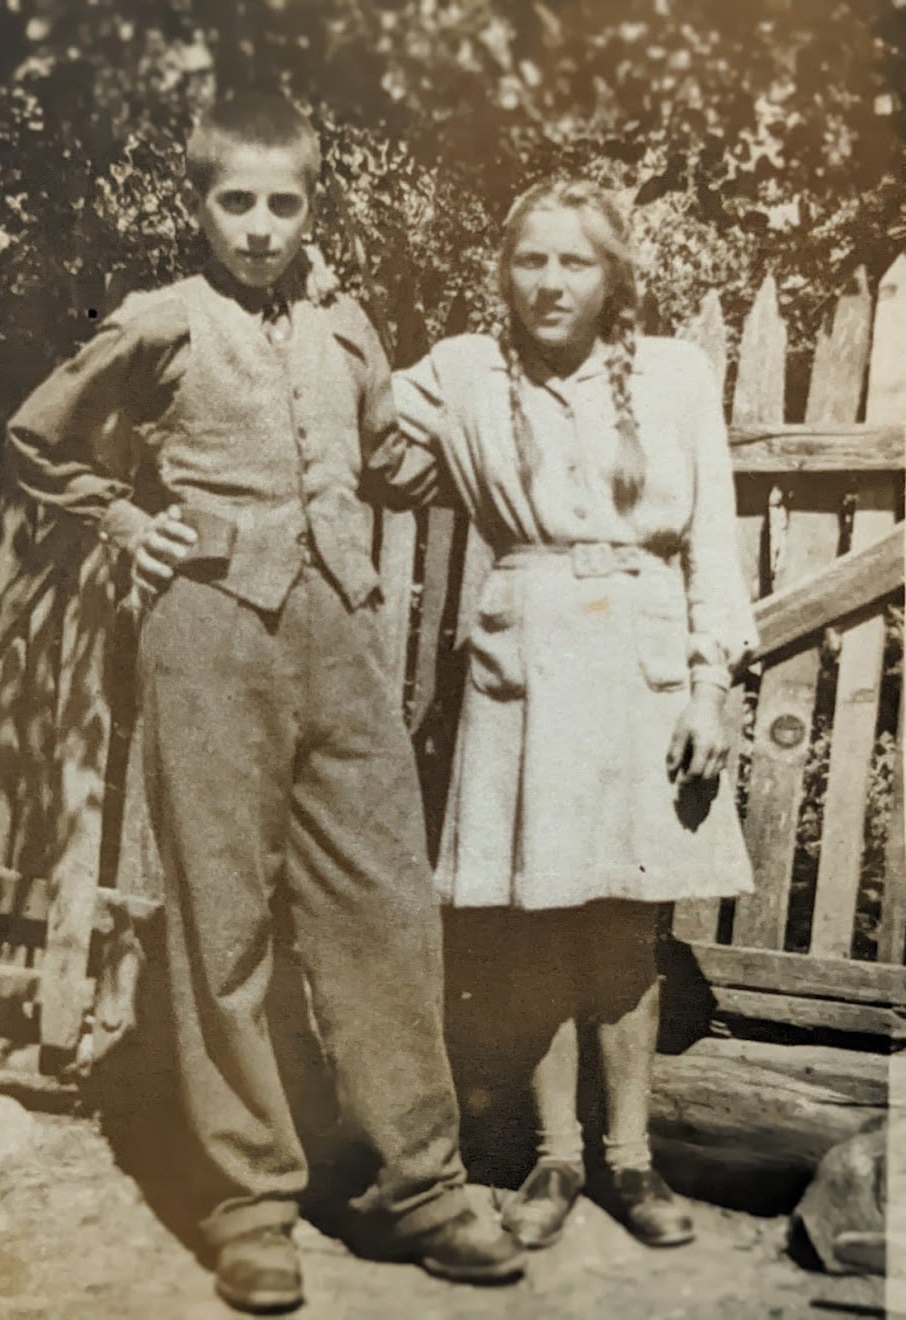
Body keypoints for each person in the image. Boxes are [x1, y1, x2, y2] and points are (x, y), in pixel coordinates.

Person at [8, 89, 525, 1313]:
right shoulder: (159, 319)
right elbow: (37, 438)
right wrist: (123, 520)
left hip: (344, 636)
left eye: (282, 203)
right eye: (235, 201)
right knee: (223, 918)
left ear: (310, 207)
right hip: (208, 632)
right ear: (198, 204)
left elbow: (387, 459)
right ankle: (250, 1201)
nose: (258, 226)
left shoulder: (348, 323)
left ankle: (421, 1186)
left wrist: (491, 407)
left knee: (384, 904)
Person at [394, 176, 756, 1253]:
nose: (551, 283)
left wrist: (711, 684)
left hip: (642, 659)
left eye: (576, 261)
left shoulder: (677, 376)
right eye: (531, 260)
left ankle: (630, 1160)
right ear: (504, 272)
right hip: (529, 658)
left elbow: (714, 542)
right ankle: (555, 1158)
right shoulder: (463, 371)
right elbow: (362, 429)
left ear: (615, 277)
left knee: (626, 921)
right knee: (536, 913)